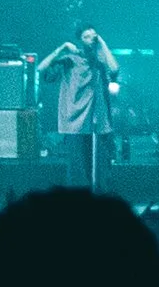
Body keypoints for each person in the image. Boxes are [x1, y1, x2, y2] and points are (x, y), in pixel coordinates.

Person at [39, 25, 119, 189]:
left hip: (98, 120)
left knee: (101, 167)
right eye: (86, 37)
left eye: (93, 35)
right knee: (78, 168)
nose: (91, 39)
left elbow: (115, 69)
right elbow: (41, 68)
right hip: (75, 121)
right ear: (80, 40)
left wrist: (101, 42)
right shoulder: (70, 59)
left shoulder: (100, 60)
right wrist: (62, 48)